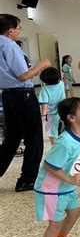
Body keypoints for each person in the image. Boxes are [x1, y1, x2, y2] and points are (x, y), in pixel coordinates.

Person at [34, 97, 80, 237]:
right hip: (52, 189)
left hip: (65, 187)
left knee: (75, 212)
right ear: (71, 118)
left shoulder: (78, 135)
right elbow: (50, 166)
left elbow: (67, 160)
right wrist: (70, 178)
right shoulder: (64, 141)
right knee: (55, 223)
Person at [0, 14, 50, 192]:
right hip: (22, 95)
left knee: (12, 137)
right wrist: (41, 65)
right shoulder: (9, 45)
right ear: (10, 30)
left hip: (8, 95)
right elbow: (23, 76)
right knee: (34, 138)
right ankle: (27, 179)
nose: (20, 31)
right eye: (19, 28)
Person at [38, 67, 66, 145]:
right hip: (63, 111)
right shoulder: (61, 83)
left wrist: (43, 116)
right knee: (62, 130)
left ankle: (55, 149)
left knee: (52, 133)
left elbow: (45, 104)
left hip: (52, 115)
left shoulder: (44, 89)